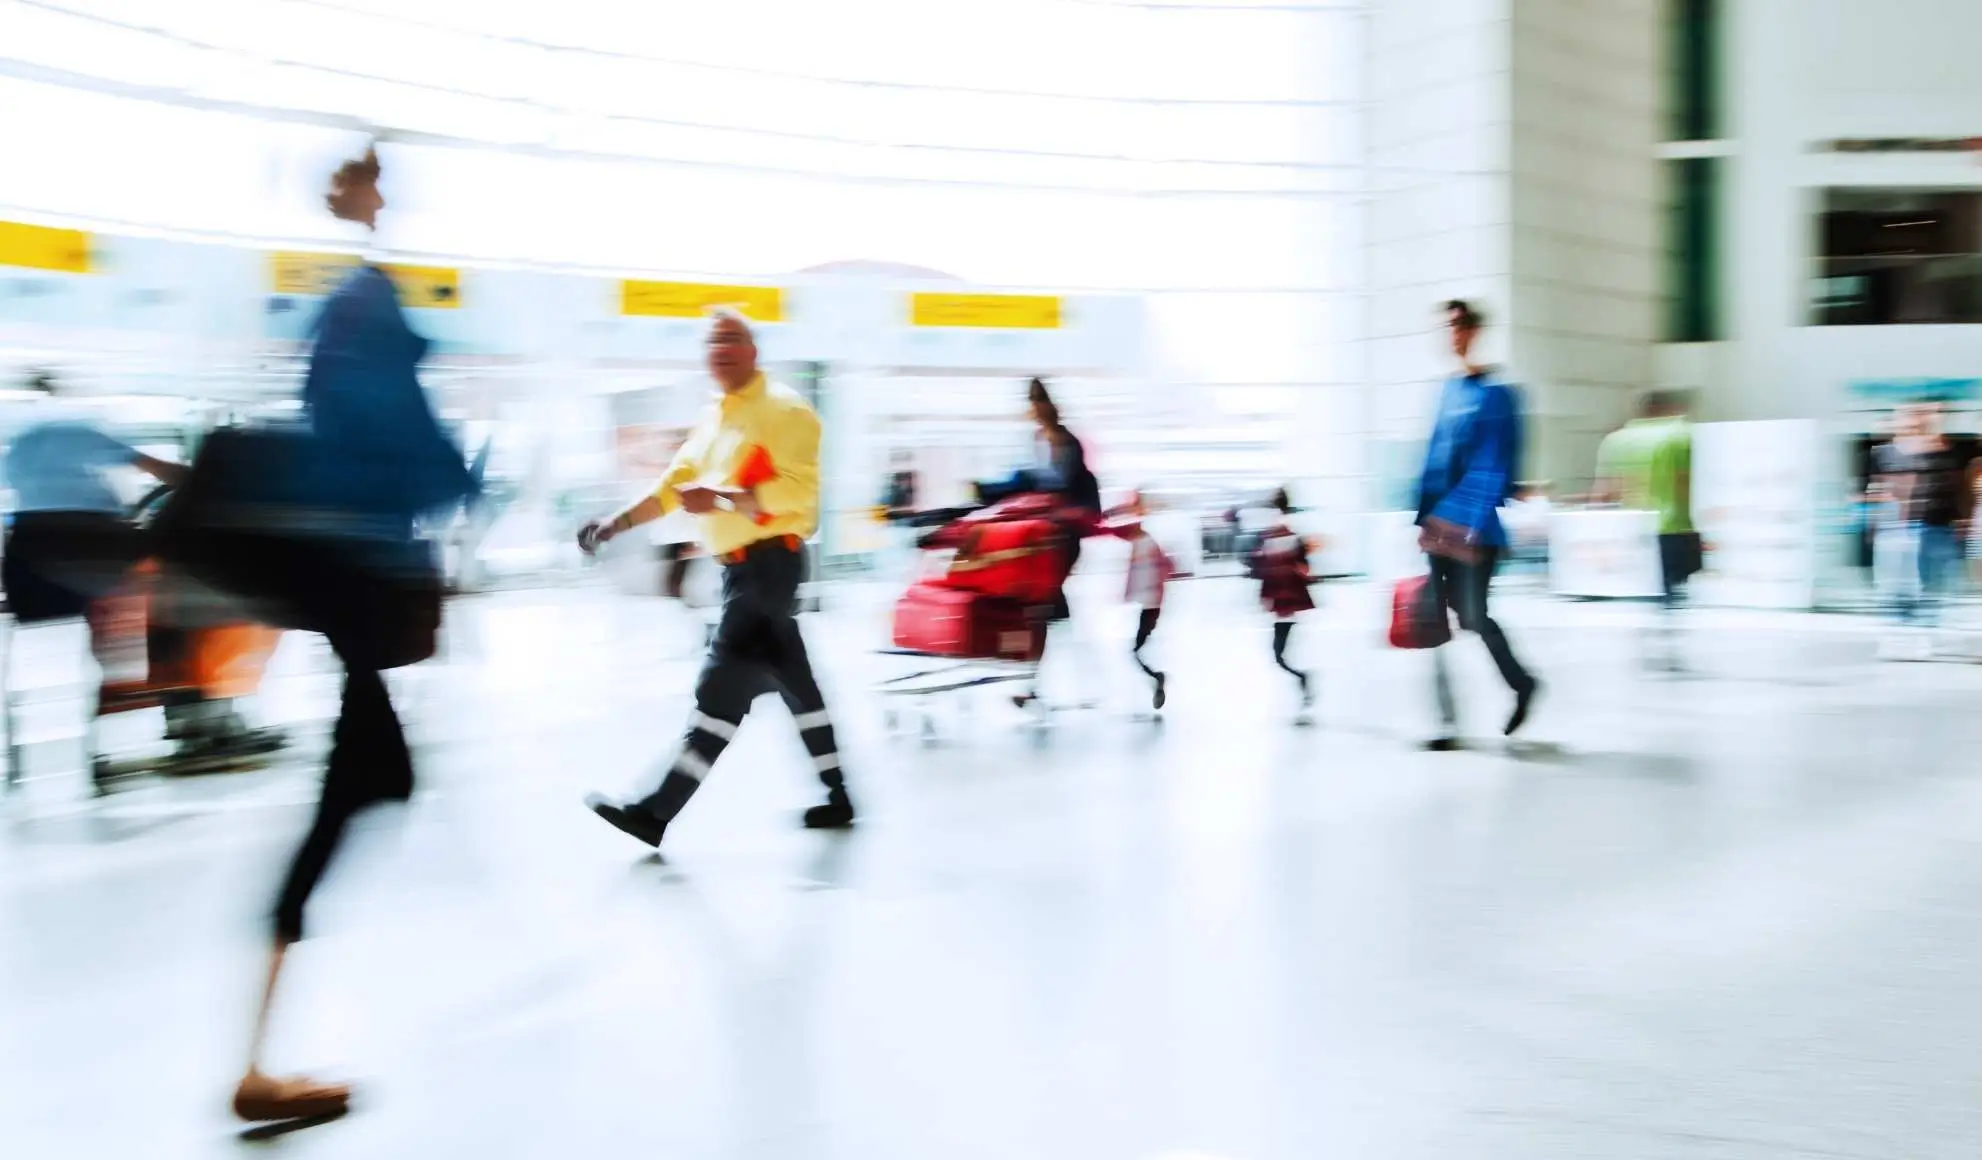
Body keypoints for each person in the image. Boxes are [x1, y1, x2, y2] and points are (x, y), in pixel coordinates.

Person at [177, 145, 479, 1123]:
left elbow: (357, 407)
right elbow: (384, 420)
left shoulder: (354, 298)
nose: (382, 197)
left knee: (374, 772)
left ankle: (261, 1054)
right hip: (353, 569)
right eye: (372, 183)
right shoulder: (365, 303)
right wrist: (452, 475)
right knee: (366, 779)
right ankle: (257, 1065)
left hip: (348, 572)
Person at [580, 309, 854, 850]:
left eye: (731, 339)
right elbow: (671, 488)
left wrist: (723, 498)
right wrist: (614, 525)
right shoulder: (714, 420)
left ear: (754, 351)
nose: (720, 349)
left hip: (770, 567)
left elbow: (798, 495)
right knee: (799, 687)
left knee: (721, 690)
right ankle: (838, 794)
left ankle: (656, 812)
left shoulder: (786, 411)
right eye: (712, 342)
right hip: (739, 573)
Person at [1416, 300, 1539, 750]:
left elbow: (1496, 466)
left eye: (1456, 325)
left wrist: (1463, 521)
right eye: (1444, 326)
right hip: (1439, 529)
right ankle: (1446, 724)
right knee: (1431, 621)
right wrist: (1423, 519)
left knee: (1473, 616)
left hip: (1475, 531)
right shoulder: (1447, 392)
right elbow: (1432, 461)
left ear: (1474, 330)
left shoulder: (1498, 394)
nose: (1449, 334)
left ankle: (1522, 683)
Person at [1003, 378, 1101, 709]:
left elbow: (1058, 483)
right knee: (1045, 612)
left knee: (1043, 610)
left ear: (1044, 407)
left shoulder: (1065, 441)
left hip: (1062, 536)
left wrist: (1026, 483)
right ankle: (1061, 681)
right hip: (1044, 535)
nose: (1030, 412)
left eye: (1033, 405)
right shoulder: (1038, 439)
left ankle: (1072, 681)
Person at [1594, 391, 1699, 671]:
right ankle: (1664, 636)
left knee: (1650, 584)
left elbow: (1606, 490)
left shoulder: (1618, 439)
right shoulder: (1680, 435)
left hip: (1635, 524)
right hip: (1674, 523)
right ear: (1667, 408)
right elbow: (1684, 482)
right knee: (1671, 585)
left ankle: (1650, 635)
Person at [1874, 402, 1969, 658]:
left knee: (1932, 583)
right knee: (1897, 584)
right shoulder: (1888, 452)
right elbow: (1883, 488)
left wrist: (1963, 520)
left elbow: (1960, 487)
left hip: (1938, 527)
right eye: (1909, 418)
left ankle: (1924, 633)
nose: (1916, 423)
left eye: (1922, 418)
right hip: (1900, 529)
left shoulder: (1948, 452)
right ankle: (1899, 635)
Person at [1250, 488, 1316, 720]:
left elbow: (1272, 570)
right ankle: (1303, 680)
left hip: (1285, 603)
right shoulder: (1283, 534)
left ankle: (1303, 680)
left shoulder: (1277, 535)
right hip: (1285, 602)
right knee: (1278, 654)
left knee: (1278, 655)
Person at [1105, 490, 1172, 712]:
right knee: (1134, 650)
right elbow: (1114, 530)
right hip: (1148, 605)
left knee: (1134, 650)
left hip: (1151, 606)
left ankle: (1157, 678)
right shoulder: (1140, 542)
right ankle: (1156, 679)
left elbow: (1164, 569)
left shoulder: (1147, 544)